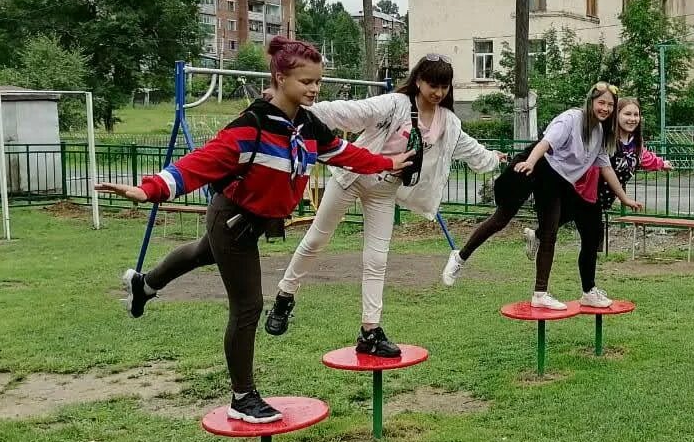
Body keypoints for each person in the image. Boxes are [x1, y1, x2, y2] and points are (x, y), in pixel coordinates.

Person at [95, 37, 411, 424]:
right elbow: (200, 163)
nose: (313, 89)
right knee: (248, 306)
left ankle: (144, 285)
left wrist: (388, 160)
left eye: (317, 82)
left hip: (251, 223)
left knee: (200, 253)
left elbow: (345, 154)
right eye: (305, 81)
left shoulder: (307, 126)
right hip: (233, 221)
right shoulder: (252, 127)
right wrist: (149, 188)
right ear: (279, 77)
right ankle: (242, 397)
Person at [263, 54, 504, 356]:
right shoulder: (396, 105)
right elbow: (350, 112)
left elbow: (471, 150)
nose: (438, 92)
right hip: (352, 176)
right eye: (432, 84)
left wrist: (496, 159)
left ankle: (370, 332)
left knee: (377, 260)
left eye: (444, 86)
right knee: (316, 239)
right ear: (418, 80)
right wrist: (291, 102)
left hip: (384, 190)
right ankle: (284, 297)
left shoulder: (449, 123)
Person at [441, 82, 642, 310]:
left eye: (610, 105)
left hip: (556, 180)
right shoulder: (571, 118)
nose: (605, 108)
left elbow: (606, 167)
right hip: (535, 166)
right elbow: (545, 143)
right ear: (591, 102)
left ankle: (540, 293)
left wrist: (624, 198)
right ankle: (459, 257)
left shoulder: (600, 133)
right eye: (601, 102)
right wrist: (529, 162)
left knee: (549, 233)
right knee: (501, 219)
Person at [522, 96, 671, 259]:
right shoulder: (605, 138)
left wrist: (661, 164)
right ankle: (541, 240)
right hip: (585, 192)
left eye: (636, 115)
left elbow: (644, 157)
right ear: (616, 115)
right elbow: (592, 159)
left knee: (569, 223)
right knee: (588, 237)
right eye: (627, 114)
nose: (632, 119)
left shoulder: (635, 144)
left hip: (602, 198)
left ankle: (537, 235)